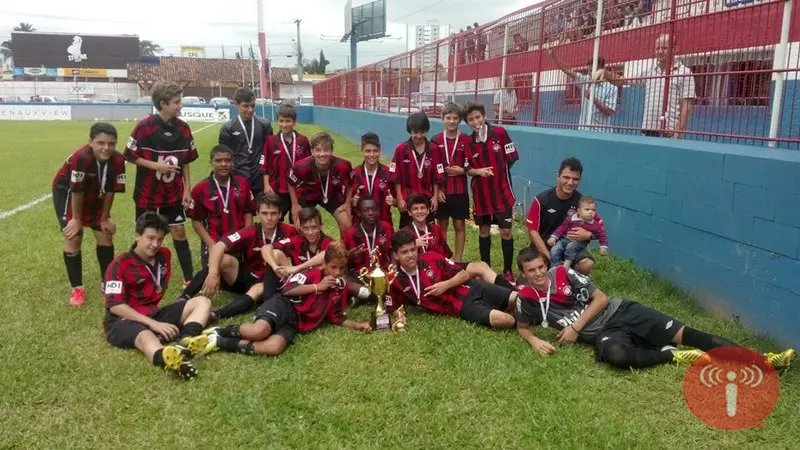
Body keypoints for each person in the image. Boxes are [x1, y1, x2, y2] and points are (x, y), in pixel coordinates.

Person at [514, 247, 796, 371]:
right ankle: (670, 355)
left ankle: (763, 361)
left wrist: (575, 327)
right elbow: (522, 327)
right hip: (604, 334)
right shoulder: (526, 298)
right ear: (523, 274)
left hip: (621, 312)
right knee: (617, 356)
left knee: (691, 335)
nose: (538, 274)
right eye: (531, 271)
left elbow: (601, 299)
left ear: (545, 264)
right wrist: (535, 341)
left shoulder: (564, 274)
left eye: (540, 267)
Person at [206, 242, 372, 357]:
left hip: (296, 322)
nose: (337, 272)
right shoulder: (311, 273)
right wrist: (317, 287)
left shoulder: (340, 287)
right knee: (259, 331)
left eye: (341, 268)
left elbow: (337, 317)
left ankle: (219, 342)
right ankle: (220, 331)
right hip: (283, 305)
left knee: (274, 347)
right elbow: (288, 290)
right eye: (333, 267)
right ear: (324, 265)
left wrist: (358, 325)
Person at [103, 212, 214, 380]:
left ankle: (186, 341)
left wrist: (156, 320)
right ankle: (171, 361)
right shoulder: (119, 264)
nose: (155, 244)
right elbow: (115, 306)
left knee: (202, 302)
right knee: (145, 336)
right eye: (150, 238)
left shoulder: (164, 255)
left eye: (160, 239)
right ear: (137, 236)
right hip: (122, 320)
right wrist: (153, 324)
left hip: (154, 313)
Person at [124, 80, 198, 285]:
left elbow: (185, 161)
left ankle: (189, 279)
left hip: (173, 192)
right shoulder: (143, 127)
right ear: (163, 104)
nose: (180, 105)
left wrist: (187, 189)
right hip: (147, 193)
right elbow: (129, 155)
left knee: (179, 231)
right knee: (145, 234)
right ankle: (138, 275)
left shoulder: (183, 128)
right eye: (177, 102)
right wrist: (156, 166)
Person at [181, 192, 298, 321]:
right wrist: (213, 273)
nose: (269, 218)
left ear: (280, 214)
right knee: (223, 259)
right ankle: (183, 298)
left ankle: (216, 315)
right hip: (247, 276)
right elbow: (218, 246)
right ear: (257, 213)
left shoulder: (291, 232)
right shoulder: (251, 230)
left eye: (273, 213)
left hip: (271, 281)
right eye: (264, 213)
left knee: (258, 289)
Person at [52, 122, 126, 306]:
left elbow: (111, 191)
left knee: (105, 234)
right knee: (74, 235)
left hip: (95, 190)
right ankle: (77, 288)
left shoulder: (118, 160)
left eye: (111, 143)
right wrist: (76, 219)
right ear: (90, 142)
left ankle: (106, 282)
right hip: (67, 192)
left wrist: (104, 218)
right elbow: (77, 191)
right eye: (101, 143)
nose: (106, 147)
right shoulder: (81, 157)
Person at [387, 231, 517, 328]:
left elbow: (464, 275)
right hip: (462, 306)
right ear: (396, 255)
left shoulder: (431, 258)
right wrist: (399, 317)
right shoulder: (397, 282)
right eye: (405, 252)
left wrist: (445, 285)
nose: (411, 255)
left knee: (517, 298)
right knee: (507, 320)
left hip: (474, 287)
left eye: (413, 250)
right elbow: (393, 307)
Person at [464, 102, 519, 285]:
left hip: (502, 192)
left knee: (506, 231)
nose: (475, 122)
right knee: (484, 230)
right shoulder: (468, 143)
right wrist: (478, 172)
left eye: (478, 117)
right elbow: (467, 169)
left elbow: (512, 158)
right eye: (471, 119)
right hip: (481, 195)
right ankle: (486, 269)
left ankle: (508, 271)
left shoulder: (500, 133)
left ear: (484, 116)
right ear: (467, 123)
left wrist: (499, 172)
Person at [187, 144, 255, 267]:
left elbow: (248, 212)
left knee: (241, 276)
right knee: (213, 275)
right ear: (211, 162)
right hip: (214, 241)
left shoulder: (242, 183)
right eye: (218, 161)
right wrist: (212, 245)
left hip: (239, 241)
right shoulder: (200, 189)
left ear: (232, 162)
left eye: (227, 160)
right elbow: (196, 221)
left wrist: (245, 236)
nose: (223, 164)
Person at [525, 157, 595, 274]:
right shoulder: (541, 200)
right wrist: (548, 256)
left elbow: (598, 228)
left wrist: (589, 235)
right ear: (558, 176)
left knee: (586, 263)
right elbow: (532, 231)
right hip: (544, 247)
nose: (570, 182)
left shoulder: (582, 202)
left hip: (570, 247)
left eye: (575, 179)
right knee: (531, 278)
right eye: (566, 177)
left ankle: (571, 279)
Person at [619, 33, 696, 138]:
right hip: (649, 130)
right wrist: (605, 74)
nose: (660, 51)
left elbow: (687, 106)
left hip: (669, 132)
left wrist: (677, 133)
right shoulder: (650, 72)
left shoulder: (685, 73)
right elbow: (624, 81)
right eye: (657, 48)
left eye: (664, 48)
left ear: (675, 49)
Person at [262, 207, 335, 300]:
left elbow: (327, 253)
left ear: (321, 226)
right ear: (301, 228)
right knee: (275, 254)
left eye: (314, 227)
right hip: (298, 283)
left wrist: (297, 268)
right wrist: (274, 266)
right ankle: (268, 300)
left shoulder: (329, 242)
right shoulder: (297, 240)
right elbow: (266, 248)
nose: (310, 232)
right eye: (306, 228)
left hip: (320, 285)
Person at [287, 131, 352, 234]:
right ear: (312, 151)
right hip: (308, 195)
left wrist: (348, 203)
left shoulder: (343, 166)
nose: (322, 154)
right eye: (318, 150)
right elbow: (290, 183)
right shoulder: (300, 167)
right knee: (300, 226)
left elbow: (350, 184)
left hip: (332, 195)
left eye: (326, 150)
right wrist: (295, 205)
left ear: (331, 150)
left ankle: (342, 245)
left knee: (347, 225)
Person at [388, 112, 444, 229]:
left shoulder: (434, 149)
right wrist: (399, 198)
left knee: (428, 231)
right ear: (410, 131)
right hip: (407, 199)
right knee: (407, 233)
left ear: (426, 130)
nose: (419, 136)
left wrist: (435, 196)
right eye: (415, 132)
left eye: (422, 132)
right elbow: (396, 176)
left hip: (427, 199)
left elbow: (437, 176)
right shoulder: (401, 149)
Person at [431, 103, 470, 261]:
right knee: (441, 226)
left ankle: (458, 260)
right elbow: (432, 166)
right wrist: (438, 190)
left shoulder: (466, 139)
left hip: (460, 191)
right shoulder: (435, 140)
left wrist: (463, 170)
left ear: (459, 120)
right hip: (442, 191)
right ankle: (444, 259)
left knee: (459, 225)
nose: (452, 121)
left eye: (455, 118)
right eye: (448, 118)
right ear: (442, 119)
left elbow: (472, 164)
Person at [218, 87, 273, 198]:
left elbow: (269, 153)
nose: (250, 109)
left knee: (262, 208)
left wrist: (267, 180)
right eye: (246, 106)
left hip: (259, 179)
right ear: (236, 104)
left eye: (253, 105)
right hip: (238, 179)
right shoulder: (228, 128)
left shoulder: (264, 125)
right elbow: (223, 156)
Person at [261, 104, 311, 221]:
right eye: (281, 121)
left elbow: (309, 164)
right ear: (277, 121)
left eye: (288, 121)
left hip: (298, 189)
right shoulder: (270, 141)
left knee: (300, 220)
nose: (284, 124)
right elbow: (265, 165)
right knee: (275, 220)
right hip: (278, 189)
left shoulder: (302, 140)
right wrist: (266, 185)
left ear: (294, 122)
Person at [548, 47, 617, 132]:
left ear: (601, 70)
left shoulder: (611, 88)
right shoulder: (585, 80)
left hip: (601, 132)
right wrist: (554, 56)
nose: (590, 73)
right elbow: (567, 70)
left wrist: (593, 99)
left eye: (593, 70)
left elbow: (609, 112)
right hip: (583, 130)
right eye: (589, 70)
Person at [547, 195, 608, 268]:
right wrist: (554, 237)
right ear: (579, 211)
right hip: (565, 240)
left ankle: (566, 266)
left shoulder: (594, 224)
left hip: (580, 243)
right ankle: (555, 268)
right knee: (554, 250)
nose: (590, 212)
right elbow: (562, 228)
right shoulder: (571, 219)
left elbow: (602, 234)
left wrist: (603, 247)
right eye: (587, 209)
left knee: (571, 247)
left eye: (593, 210)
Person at [342, 196, 394, 276]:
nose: (371, 213)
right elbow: (341, 258)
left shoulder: (386, 227)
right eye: (366, 210)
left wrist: (393, 266)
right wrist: (349, 256)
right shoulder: (350, 234)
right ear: (358, 213)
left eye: (374, 209)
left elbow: (393, 250)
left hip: (383, 272)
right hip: (359, 275)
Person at [350, 132, 394, 224]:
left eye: (375, 151)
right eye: (368, 151)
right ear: (362, 151)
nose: (372, 154)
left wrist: (393, 201)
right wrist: (352, 201)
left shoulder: (388, 173)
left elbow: (398, 201)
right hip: (360, 224)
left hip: (383, 223)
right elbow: (345, 202)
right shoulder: (354, 174)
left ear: (380, 151)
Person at [401, 194, 452, 259]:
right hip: (417, 264)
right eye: (415, 209)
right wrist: (413, 245)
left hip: (437, 263)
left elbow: (446, 254)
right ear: (409, 212)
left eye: (422, 208)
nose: (420, 211)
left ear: (428, 211)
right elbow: (400, 258)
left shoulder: (436, 229)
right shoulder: (404, 233)